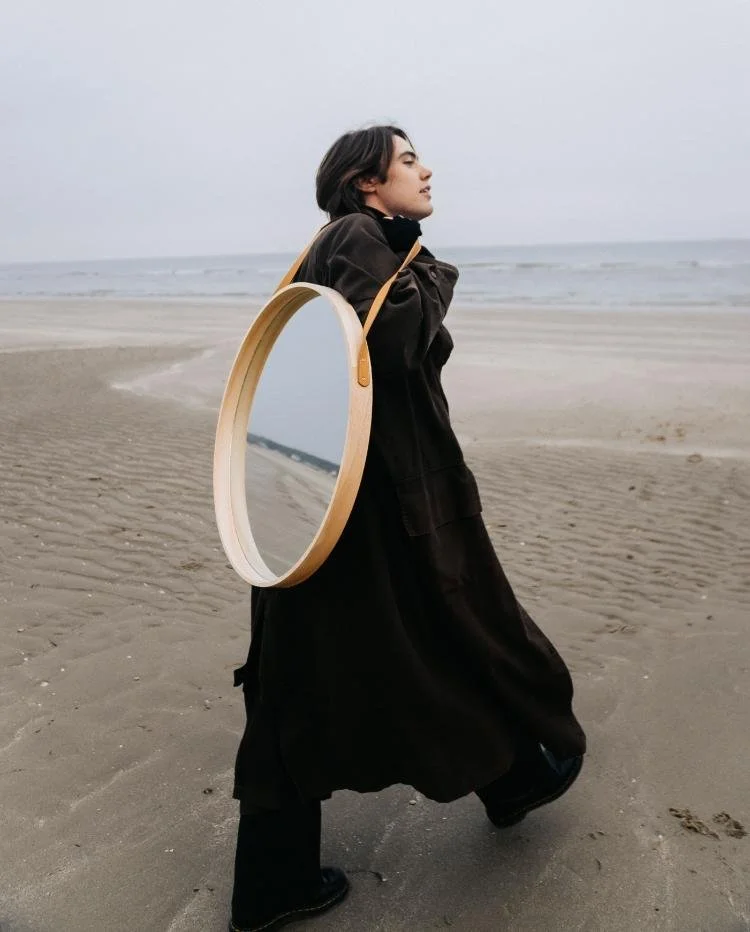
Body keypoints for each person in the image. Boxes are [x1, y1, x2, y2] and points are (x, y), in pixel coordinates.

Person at [227, 125, 586, 932]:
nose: (426, 170)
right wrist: (421, 266)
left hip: (337, 501)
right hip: (369, 506)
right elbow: (385, 350)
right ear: (366, 183)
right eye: (409, 159)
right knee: (431, 635)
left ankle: (509, 780)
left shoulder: (346, 244)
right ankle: (512, 776)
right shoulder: (360, 237)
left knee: (373, 658)